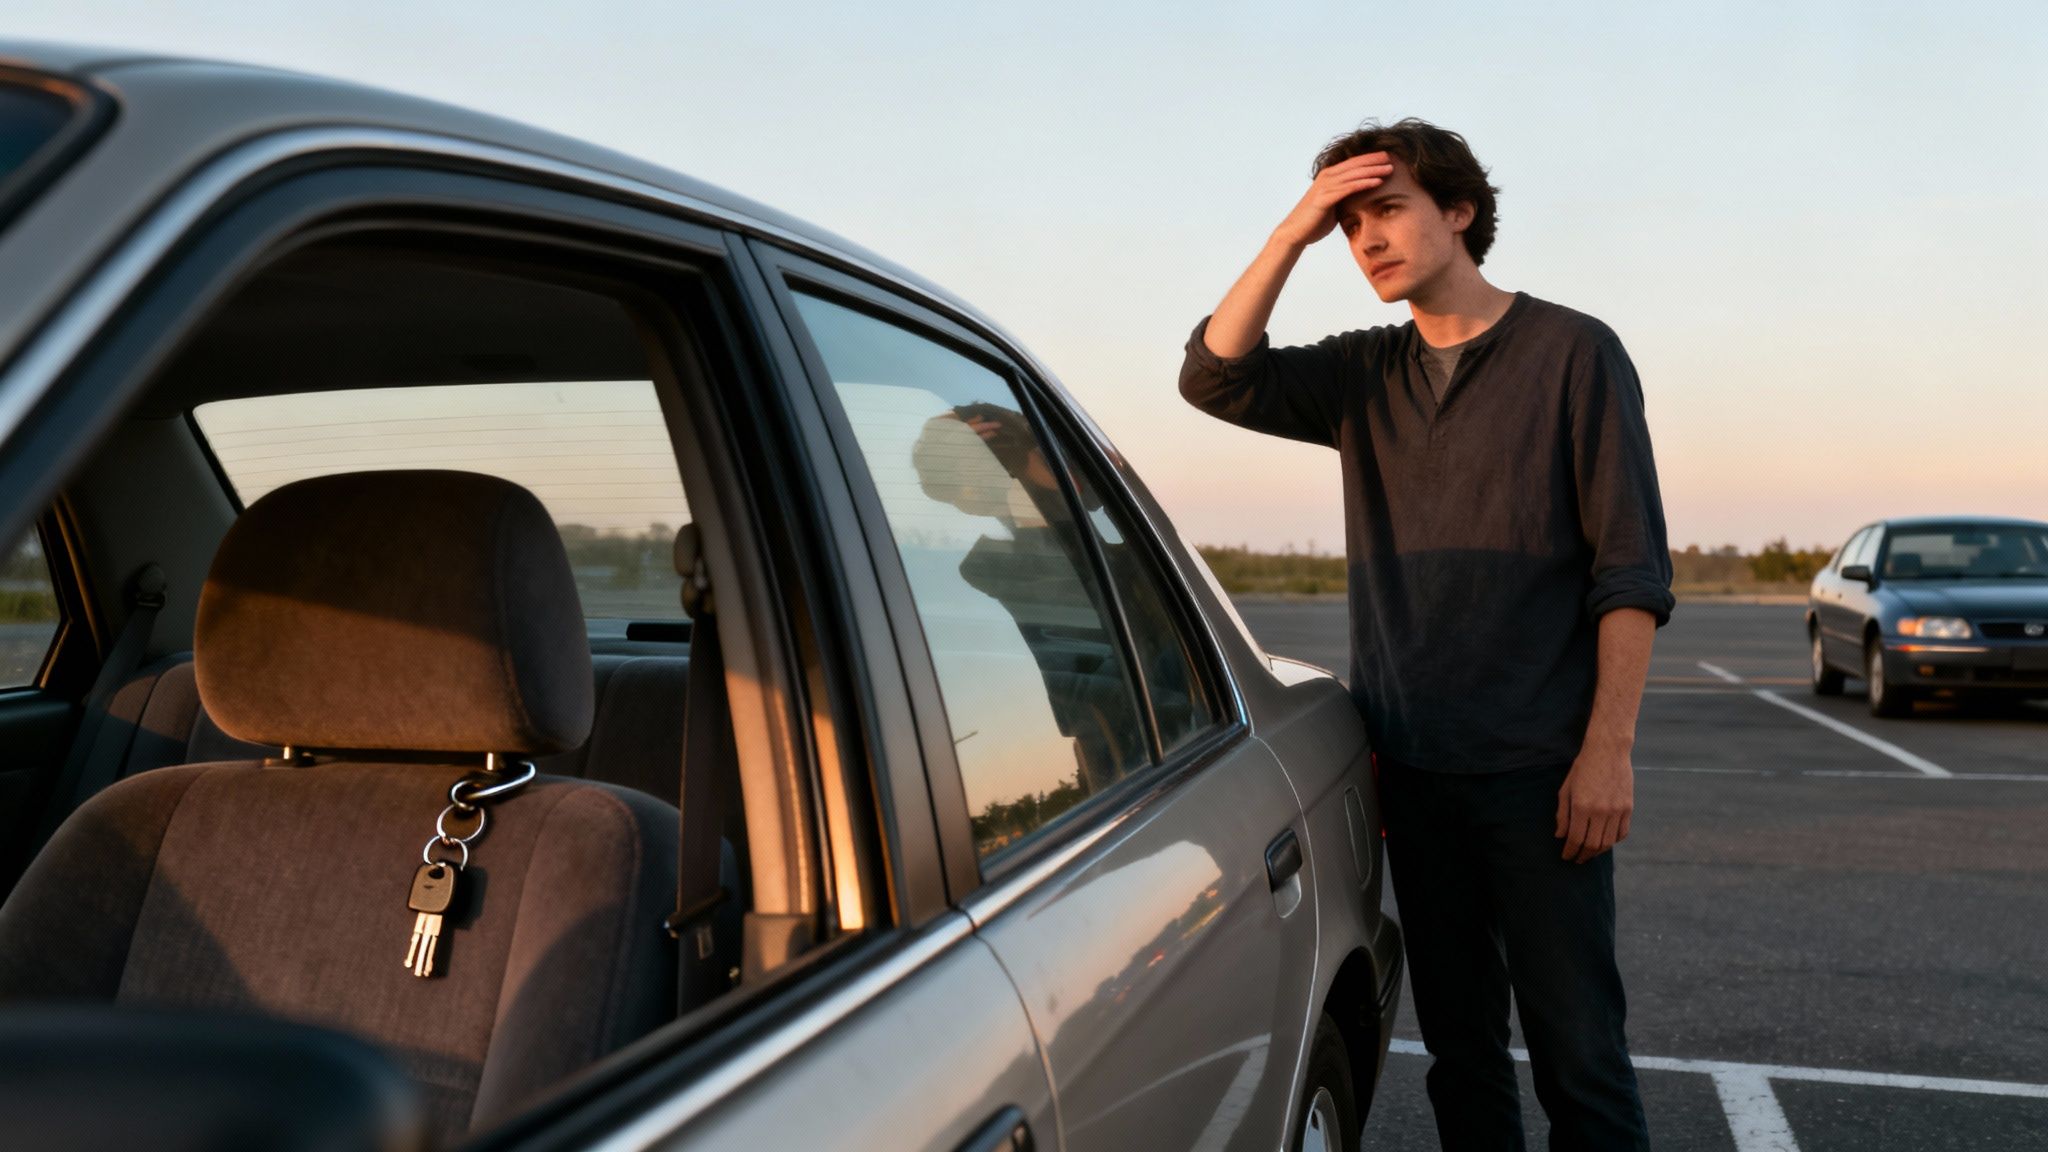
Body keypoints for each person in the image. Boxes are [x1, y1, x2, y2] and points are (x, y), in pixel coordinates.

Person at [1179, 118, 1671, 1149]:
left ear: (1457, 211)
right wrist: (1290, 232)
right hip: (1411, 769)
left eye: (1385, 209)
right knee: (1459, 1053)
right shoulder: (1364, 373)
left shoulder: (1572, 353)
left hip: (1542, 775)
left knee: (1578, 1052)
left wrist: (1605, 754)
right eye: (1348, 224)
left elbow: (1628, 572)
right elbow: (1215, 377)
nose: (1365, 240)